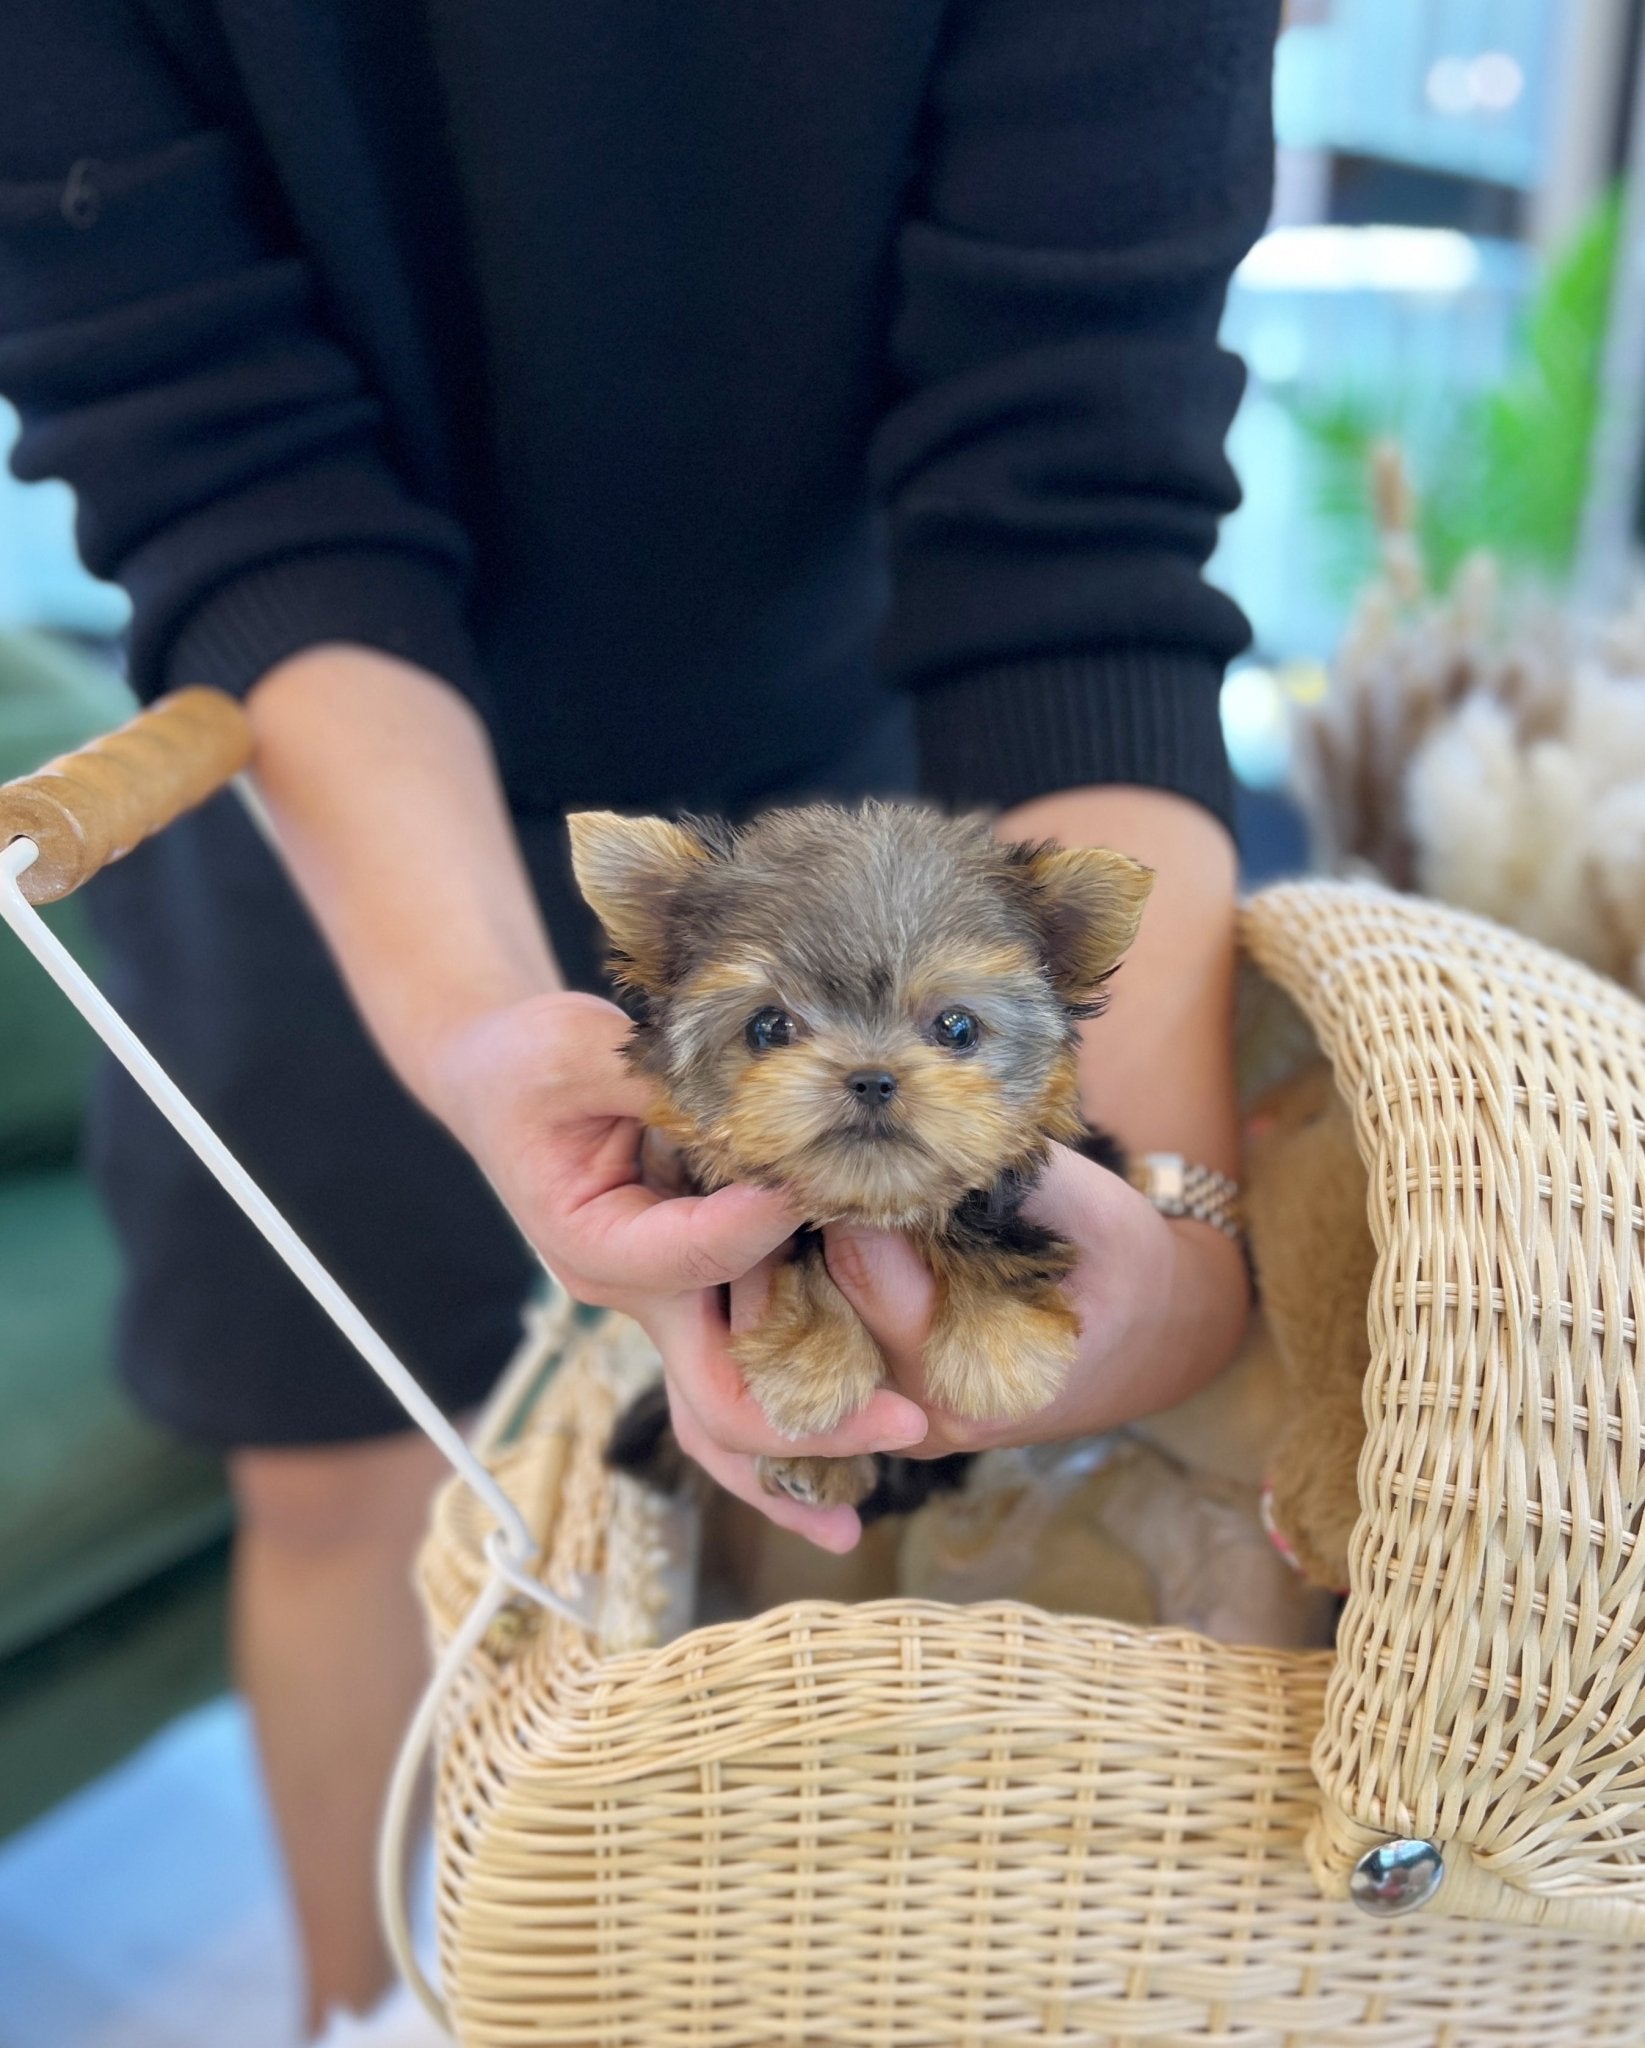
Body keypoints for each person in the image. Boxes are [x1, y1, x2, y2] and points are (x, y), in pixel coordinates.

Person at [1, 0, 1280, 2031]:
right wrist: (473, 1026)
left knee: (840, 1507)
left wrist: (1174, 1246)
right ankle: (375, 2003)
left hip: (895, 778)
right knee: (340, 1473)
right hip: (306, 769)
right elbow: (220, 453)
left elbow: (1072, 523)